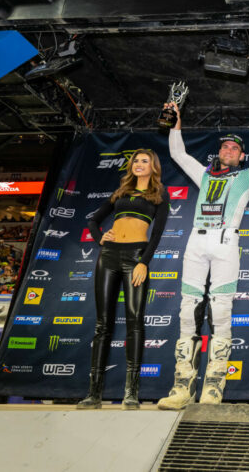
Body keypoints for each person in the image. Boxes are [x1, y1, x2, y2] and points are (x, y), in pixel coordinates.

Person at [157, 98, 249, 409]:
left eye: (235, 149)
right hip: (195, 243)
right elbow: (177, 153)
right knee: (188, 309)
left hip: (226, 243)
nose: (229, 151)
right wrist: (176, 122)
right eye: (225, 147)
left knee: (221, 311)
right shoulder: (203, 175)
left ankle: (213, 387)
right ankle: (181, 388)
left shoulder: (247, 177)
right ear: (218, 152)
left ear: (241, 156)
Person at [79, 149, 169, 410]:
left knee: (135, 322)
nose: (139, 164)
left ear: (153, 167)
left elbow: (158, 234)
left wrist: (143, 262)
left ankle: (131, 392)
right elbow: (94, 220)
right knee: (102, 324)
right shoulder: (120, 192)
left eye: (145, 161)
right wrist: (99, 238)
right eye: (136, 161)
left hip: (136, 258)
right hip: (108, 256)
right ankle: (93, 393)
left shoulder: (159, 195)